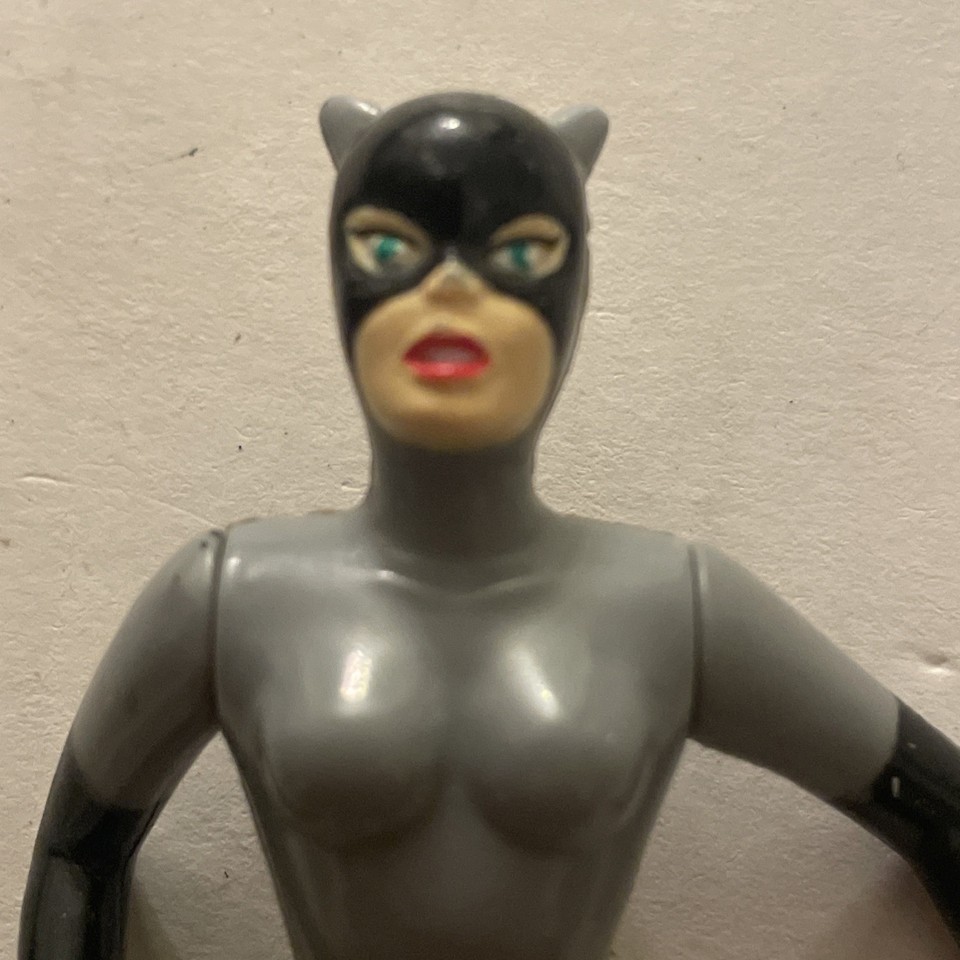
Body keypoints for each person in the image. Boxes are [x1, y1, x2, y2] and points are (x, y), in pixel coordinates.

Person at [19, 92, 960, 960]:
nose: (451, 290)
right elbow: (76, 862)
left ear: (576, 294)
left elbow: (940, 814)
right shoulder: (225, 596)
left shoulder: (679, 606)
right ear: (339, 285)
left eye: (520, 257)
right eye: (388, 249)